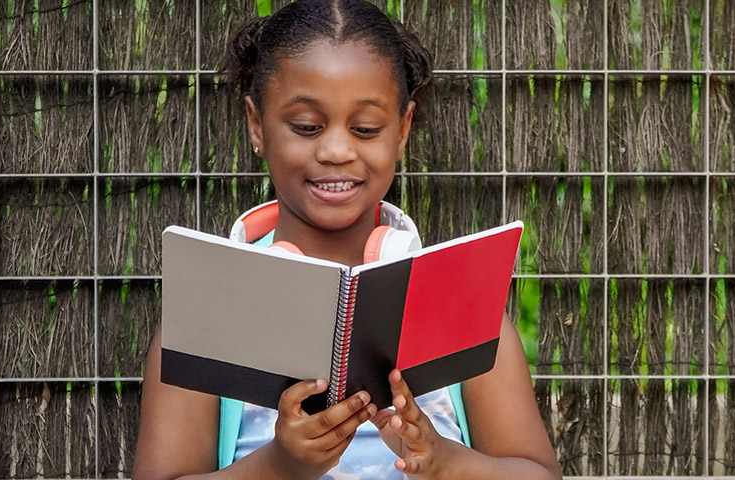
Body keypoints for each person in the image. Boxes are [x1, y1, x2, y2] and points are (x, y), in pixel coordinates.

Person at [131, 1, 561, 479]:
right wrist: (279, 465)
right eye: (307, 127)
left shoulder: (461, 309)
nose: (336, 150)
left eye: (366, 129)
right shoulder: (208, 318)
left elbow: (538, 473)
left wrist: (444, 461)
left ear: (402, 130)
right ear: (257, 125)